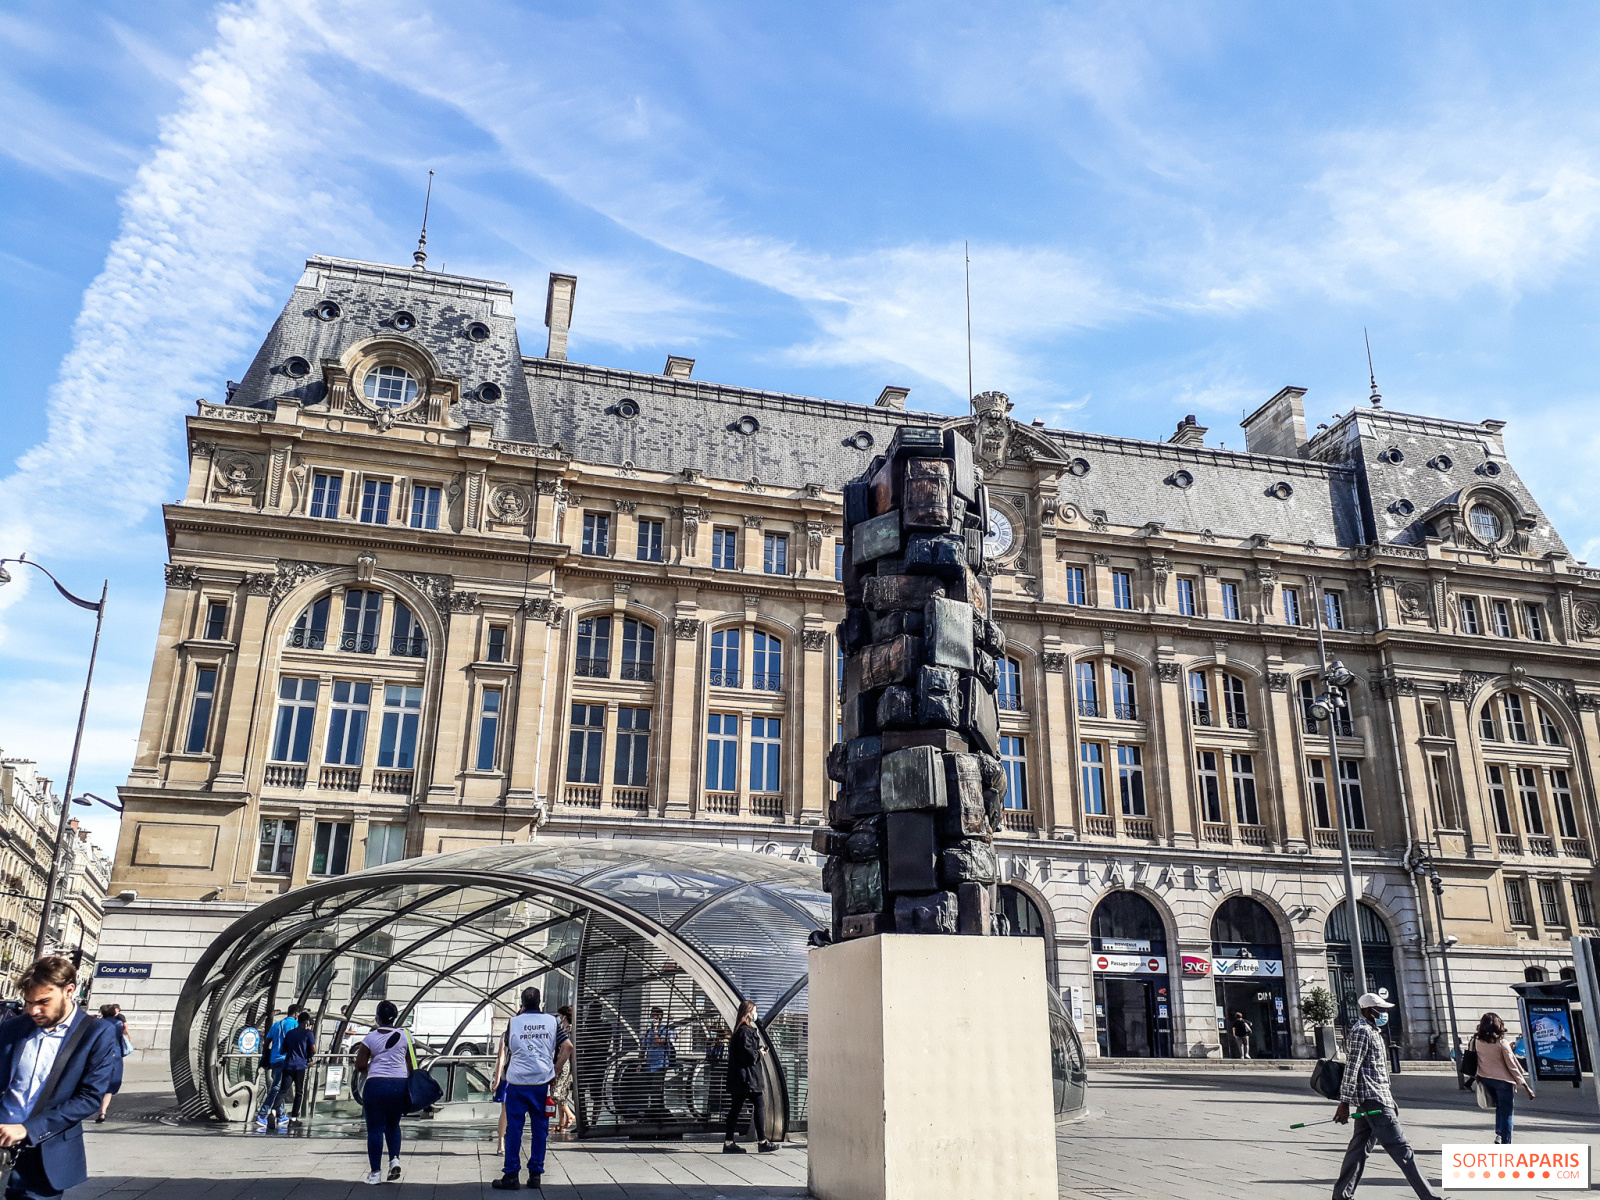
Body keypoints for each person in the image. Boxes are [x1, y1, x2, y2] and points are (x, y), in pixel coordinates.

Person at [0, 955, 120, 1200]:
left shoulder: (97, 1033)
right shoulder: (14, 1027)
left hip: (44, 1153)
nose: (34, 1010)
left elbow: (89, 1098)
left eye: (43, 1001)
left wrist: (27, 1129)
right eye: (29, 1002)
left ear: (69, 991)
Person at [1332, 992, 1443, 1200]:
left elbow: (1378, 1071)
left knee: (1358, 1149)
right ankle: (1429, 1197)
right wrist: (1344, 1102)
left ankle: (1341, 1195)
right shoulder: (1362, 1031)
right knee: (1403, 1151)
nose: (1384, 1013)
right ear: (1368, 1010)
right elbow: (1352, 1068)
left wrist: (1389, 1099)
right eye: (1380, 1009)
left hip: (1376, 1097)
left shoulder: (1373, 1031)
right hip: (1372, 1099)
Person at [492, 987, 573, 1191]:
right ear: (540, 1002)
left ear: (522, 1002)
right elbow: (568, 1047)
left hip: (517, 1082)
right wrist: (555, 1069)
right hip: (541, 1083)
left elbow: (509, 1048)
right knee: (540, 1129)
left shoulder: (514, 1022)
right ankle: (535, 1174)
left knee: (514, 1128)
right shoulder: (553, 1022)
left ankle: (511, 1174)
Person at [352, 1001, 412, 1185]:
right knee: (393, 1125)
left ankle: (375, 1173)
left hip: (376, 1085)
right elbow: (411, 1064)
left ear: (377, 1018)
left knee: (375, 1129)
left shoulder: (370, 1038)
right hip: (399, 1085)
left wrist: (373, 1065)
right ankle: (394, 1159)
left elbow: (361, 1065)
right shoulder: (405, 1036)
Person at [721, 1000, 776, 1155]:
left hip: (740, 1078)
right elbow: (748, 1056)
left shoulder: (739, 1030)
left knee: (735, 1109)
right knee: (759, 1105)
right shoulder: (746, 1031)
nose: (756, 1014)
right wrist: (761, 1053)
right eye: (754, 1011)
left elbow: (744, 1051)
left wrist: (756, 1049)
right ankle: (762, 1142)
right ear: (749, 1012)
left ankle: (729, 1142)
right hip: (748, 1078)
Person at [1471, 1012, 1534, 1143]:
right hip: (1503, 1082)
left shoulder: (1476, 1041)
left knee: (1500, 1107)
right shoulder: (1501, 1043)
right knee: (1507, 1113)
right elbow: (1512, 1065)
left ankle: (1499, 1134)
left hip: (1485, 1079)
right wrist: (1526, 1085)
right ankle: (1505, 1142)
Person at [255, 1002, 300, 1130]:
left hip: (274, 1059)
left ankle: (281, 1115)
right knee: (277, 1087)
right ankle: (262, 1115)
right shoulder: (295, 1025)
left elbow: (266, 1042)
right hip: (286, 1060)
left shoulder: (276, 1024)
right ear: (296, 1014)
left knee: (281, 1087)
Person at [280, 1011, 317, 1124]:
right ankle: (294, 1118)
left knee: (283, 1090)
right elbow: (314, 1050)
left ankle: (273, 1111)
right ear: (306, 1022)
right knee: (299, 1092)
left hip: (288, 1065)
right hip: (300, 1066)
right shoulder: (308, 1034)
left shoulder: (290, 1033)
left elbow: (282, 1050)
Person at [639, 1007, 674, 1120]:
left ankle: (657, 1114)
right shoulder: (648, 1031)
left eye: (654, 1015)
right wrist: (640, 1063)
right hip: (650, 1064)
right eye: (651, 1015)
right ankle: (656, 1112)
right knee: (652, 1090)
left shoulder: (664, 1029)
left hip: (660, 1064)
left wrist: (655, 1030)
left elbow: (659, 1043)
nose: (651, 1017)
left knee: (656, 1089)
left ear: (659, 1017)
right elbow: (643, 1047)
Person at [92, 1007, 125, 1124]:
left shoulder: (98, 1023)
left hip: (100, 1055)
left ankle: (93, 1106)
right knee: (110, 1086)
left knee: (97, 1081)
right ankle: (103, 1111)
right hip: (115, 1055)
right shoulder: (118, 1023)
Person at [551, 1006, 575, 1135]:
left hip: (565, 1064)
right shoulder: (561, 1029)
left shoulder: (570, 1030)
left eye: (559, 1016)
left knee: (556, 1093)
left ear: (564, 1016)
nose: (558, 1018)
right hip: (558, 1061)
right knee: (562, 1094)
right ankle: (561, 1122)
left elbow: (570, 1048)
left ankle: (570, 1115)